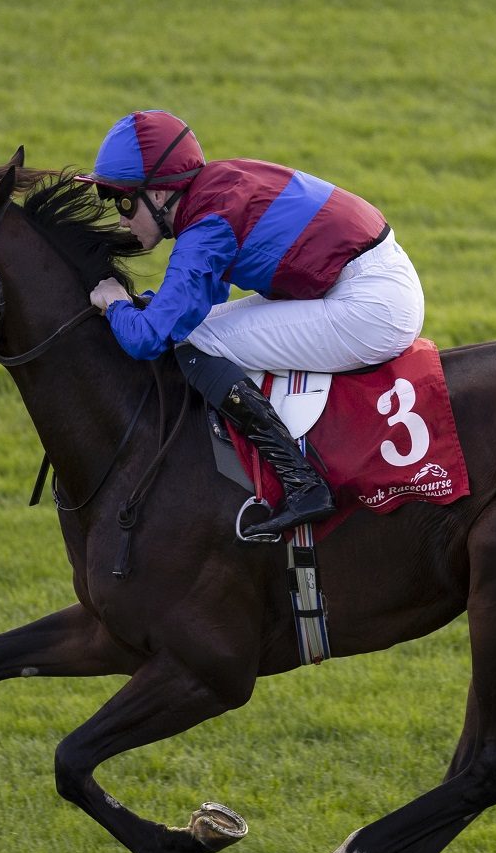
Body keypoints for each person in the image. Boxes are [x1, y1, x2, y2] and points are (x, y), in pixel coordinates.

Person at [78, 110, 425, 540]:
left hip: (370, 306)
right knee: (199, 331)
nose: (120, 218)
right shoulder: (217, 188)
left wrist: (116, 305)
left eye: (124, 201)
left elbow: (149, 339)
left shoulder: (207, 225)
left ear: (161, 192)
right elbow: (198, 303)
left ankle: (302, 482)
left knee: (194, 343)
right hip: (373, 281)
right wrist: (150, 307)